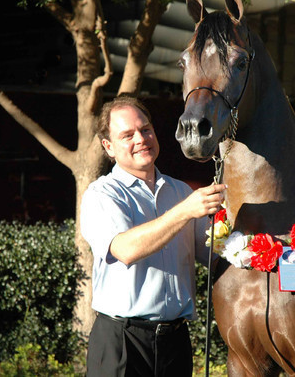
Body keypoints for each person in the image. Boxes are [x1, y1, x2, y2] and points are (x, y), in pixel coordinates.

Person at [80, 95, 226, 377]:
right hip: (123, 342)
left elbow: (215, 256)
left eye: (146, 129)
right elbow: (125, 249)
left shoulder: (181, 191)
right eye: (127, 135)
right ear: (108, 147)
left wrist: (274, 253)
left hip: (176, 342)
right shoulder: (101, 194)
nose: (141, 139)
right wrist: (184, 212)